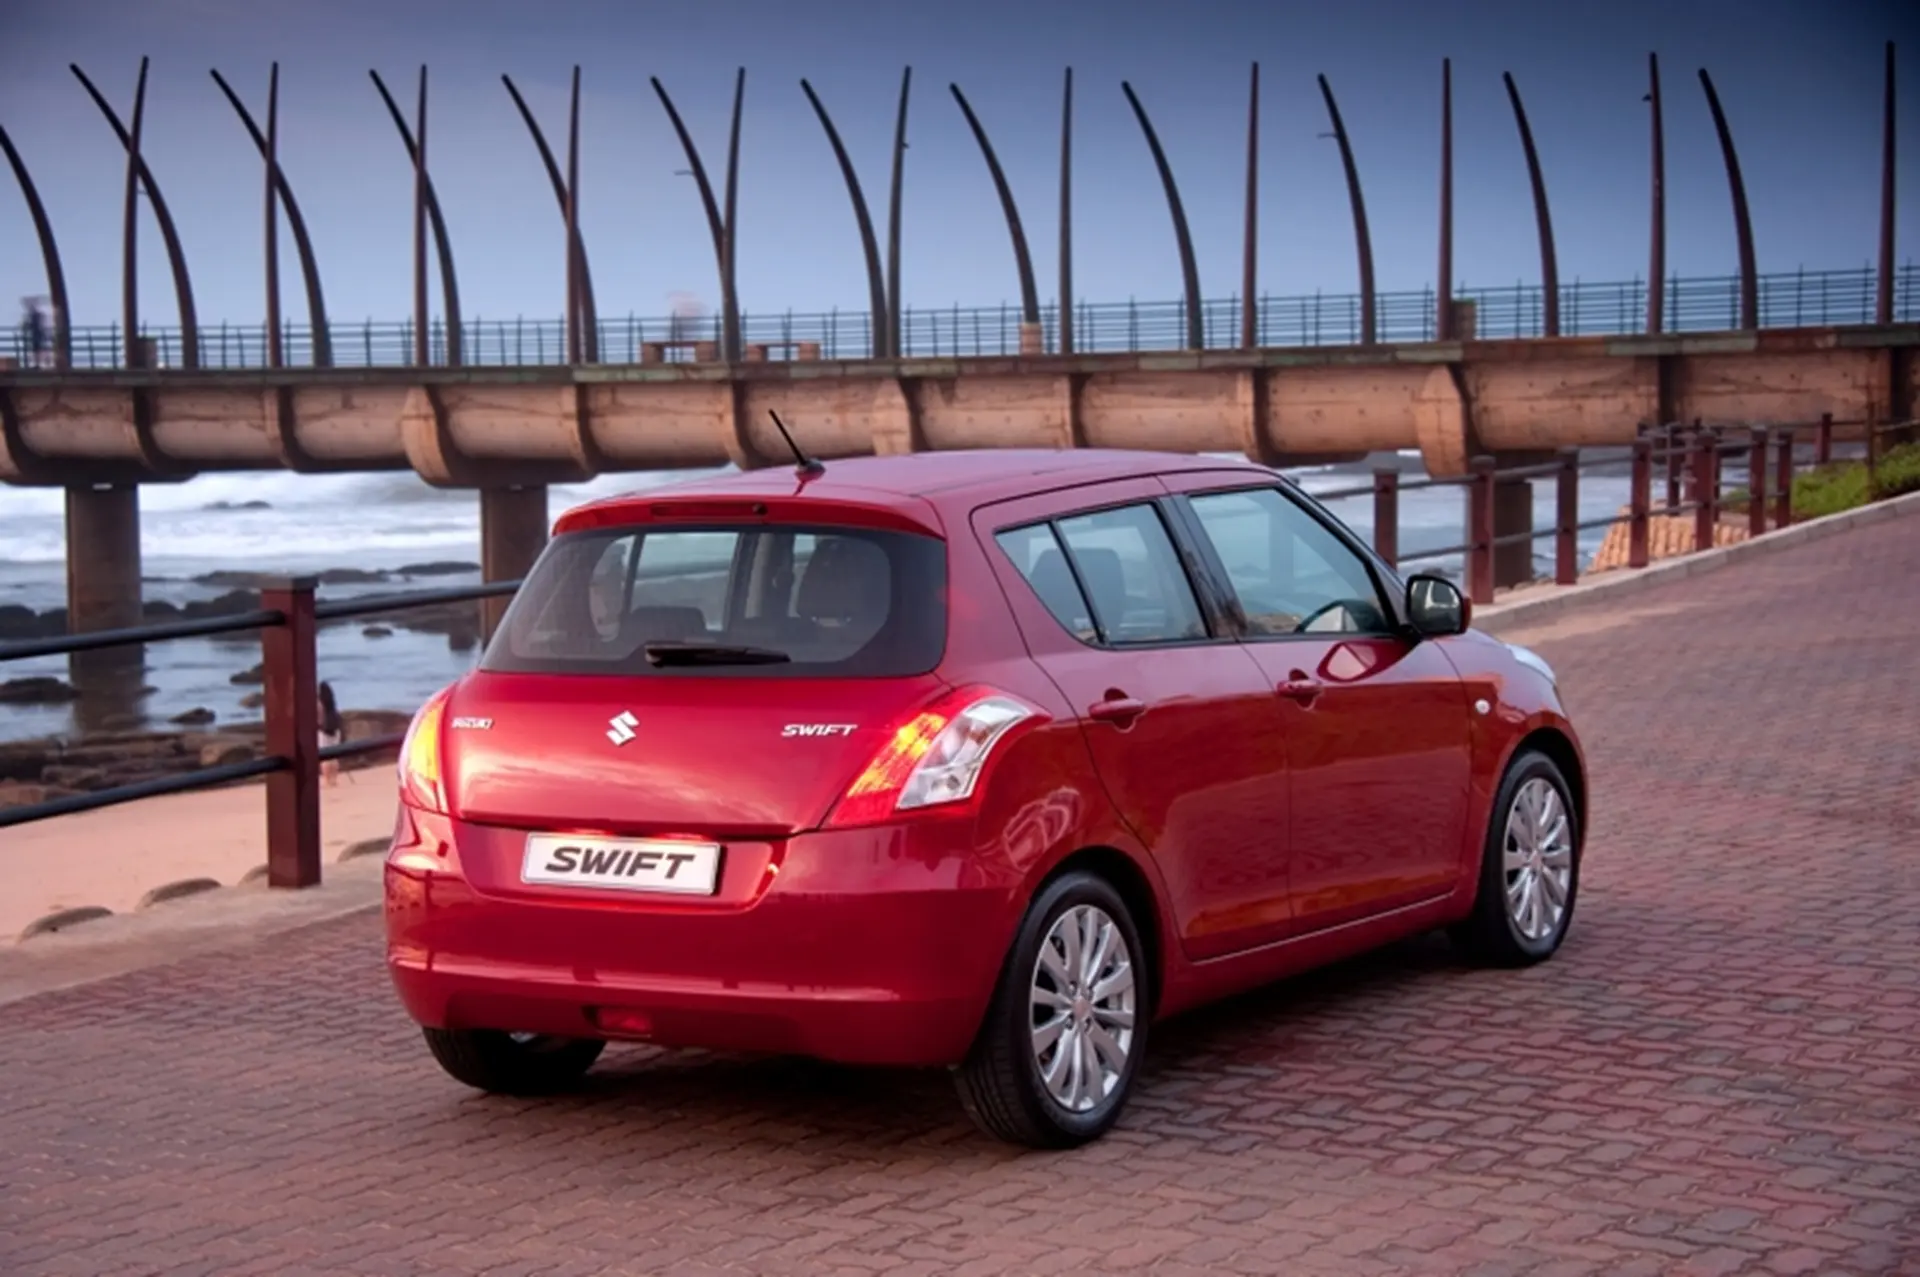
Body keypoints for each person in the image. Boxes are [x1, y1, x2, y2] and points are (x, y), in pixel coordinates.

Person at [317, 681, 348, 787]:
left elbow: (319, 719)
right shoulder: (332, 702)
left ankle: (327, 779)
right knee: (334, 756)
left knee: (325, 757)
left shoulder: (319, 704)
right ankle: (334, 779)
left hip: (324, 731)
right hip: (335, 729)